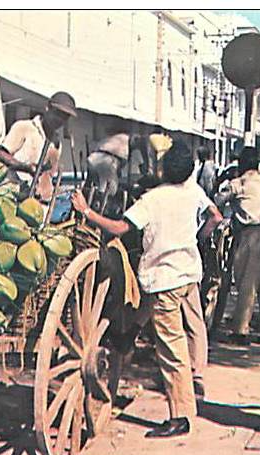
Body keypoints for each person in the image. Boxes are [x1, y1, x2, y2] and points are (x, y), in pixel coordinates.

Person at [71, 139, 223, 438]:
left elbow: (118, 228)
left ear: (164, 169)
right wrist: (197, 238)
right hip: (189, 273)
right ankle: (131, 335)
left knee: (171, 349)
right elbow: (215, 217)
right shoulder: (193, 190)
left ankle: (180, 416)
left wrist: (86, 211)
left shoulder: (153, 200)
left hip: (165, 279)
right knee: (179, 323)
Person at [217, 147, 260, 345]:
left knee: (247, 282)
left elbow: (218, 199)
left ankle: (241, 329)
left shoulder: (240, 183)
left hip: (251, 234)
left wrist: (224, 181)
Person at [0, 91, 77, 204]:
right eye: (58, 113)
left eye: (65, 117)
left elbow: (47, 176)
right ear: (47, 107)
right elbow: (0, 154)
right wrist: (25, 167)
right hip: (7, 195)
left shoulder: (56, 144)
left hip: (30, 203)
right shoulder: (24, 127)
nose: (60, 120)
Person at [86, 130, 151, 217]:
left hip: (93, 159)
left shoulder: (119, 140)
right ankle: (101, 213)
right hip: (104, 161)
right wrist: (146, 164)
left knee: (97, 187)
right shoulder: (128, 140)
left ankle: (94, 206)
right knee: (110, 189)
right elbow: (142, 145)